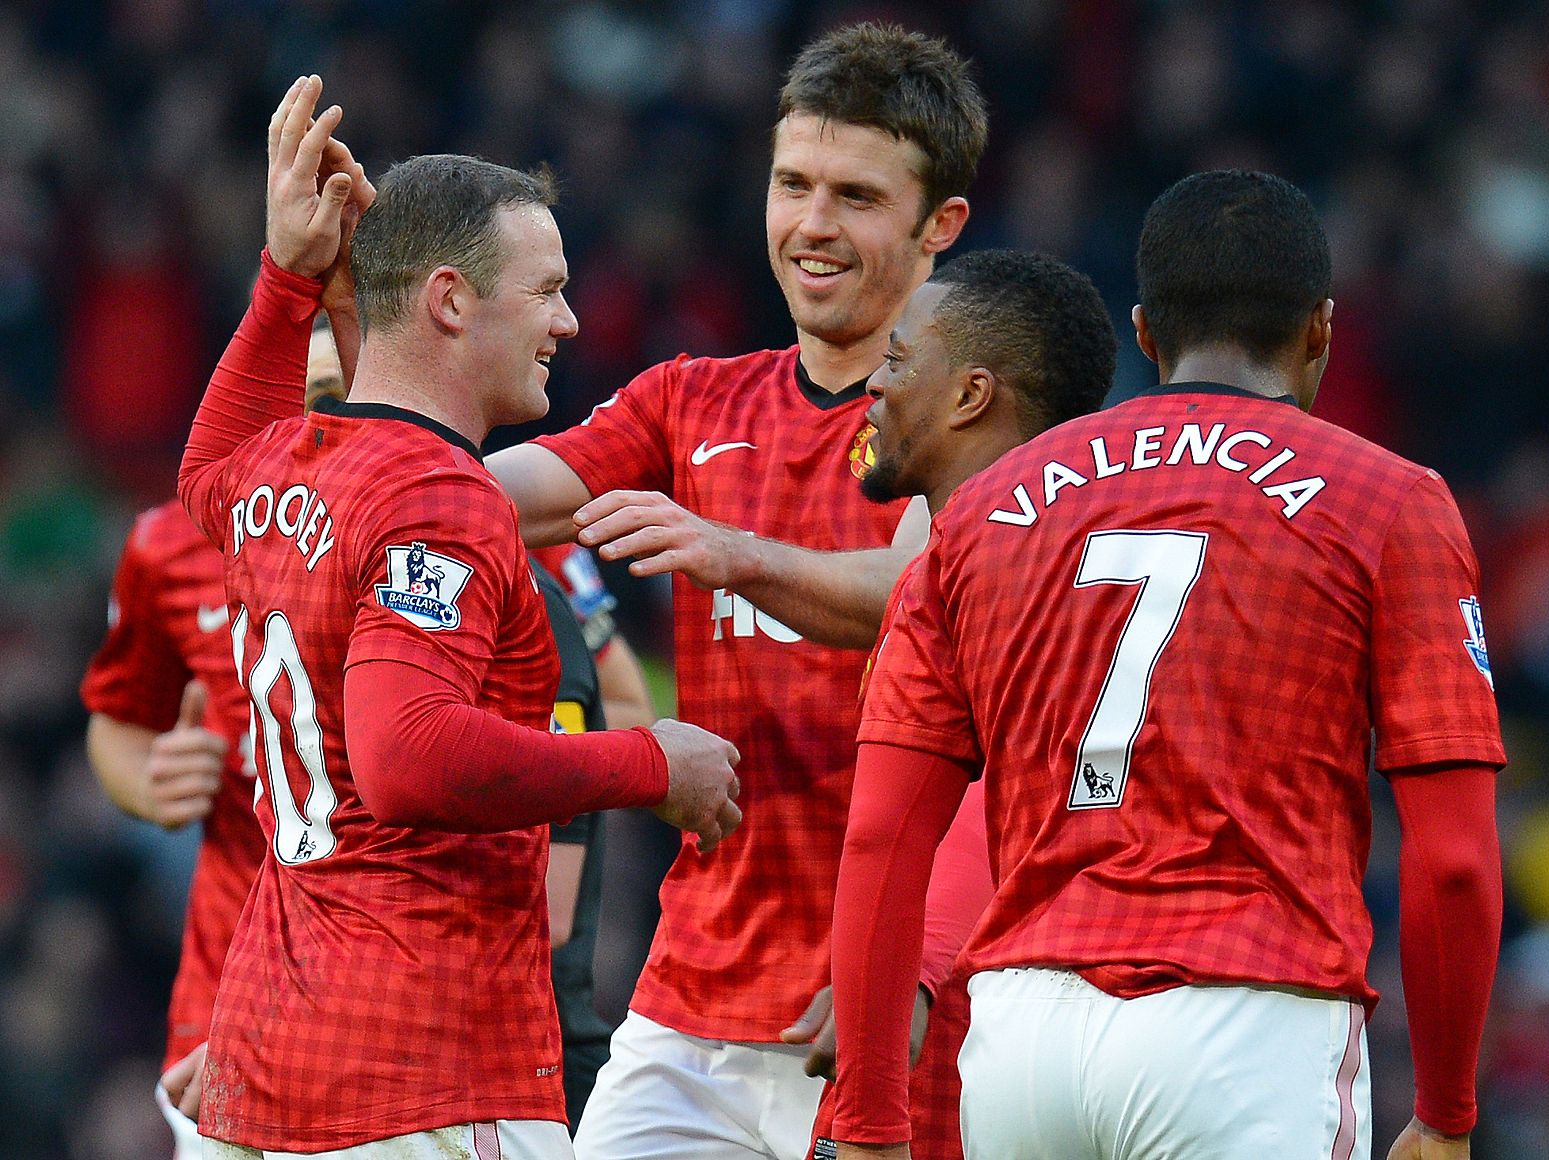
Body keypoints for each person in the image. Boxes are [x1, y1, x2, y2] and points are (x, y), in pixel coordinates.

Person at [829, 170, 1506, 1160]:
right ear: (1320, 329)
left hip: (1022, 1041)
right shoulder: (1387, 501)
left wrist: (868, 1117)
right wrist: (1445, 1114)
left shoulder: (984, 511)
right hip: (1248, 1023)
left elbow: (880, 837)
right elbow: (1453, 860)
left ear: (1144, 333)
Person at [177, 76, 740, 1158]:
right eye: (548, 290)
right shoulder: (440, 496)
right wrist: (649, 764)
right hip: (423, 1072)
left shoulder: (289, 465)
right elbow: (406, 757)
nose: (570, 321)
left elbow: (207, 470)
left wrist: (287, 277)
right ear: (449, 300)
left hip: (268, 1056)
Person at [478, 24, 988, 1160]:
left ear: (940, 224)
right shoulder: (692, 399)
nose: (813, 224)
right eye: (792, 184)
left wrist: (735, 552)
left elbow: (920, 590)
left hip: (886, 1002)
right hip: (692, 999)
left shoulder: (979, 412)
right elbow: (492, 499)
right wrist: (365, 451)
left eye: (857, 196)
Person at [794, 249, 1118, 1160]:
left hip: (975, 1013)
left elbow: (1012, 782)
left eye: (898, 361)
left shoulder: (1000, 572)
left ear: (971, 396)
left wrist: (918, 969)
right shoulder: (1058, 551)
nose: (873, 385)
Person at [81, 324, 342, 1160]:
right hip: (227, 991)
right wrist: (153, 782)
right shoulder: (169, 546)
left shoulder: (441, 527)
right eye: (305, 399)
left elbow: (601, 697)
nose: (319, 426)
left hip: (391, 994)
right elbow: (118, 724)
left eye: (342, 399)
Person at [530, 542, 658, 1127]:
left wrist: (488, 742)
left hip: (531, 1028)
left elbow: (633, 709)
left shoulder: (540, 563)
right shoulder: (278, 533)